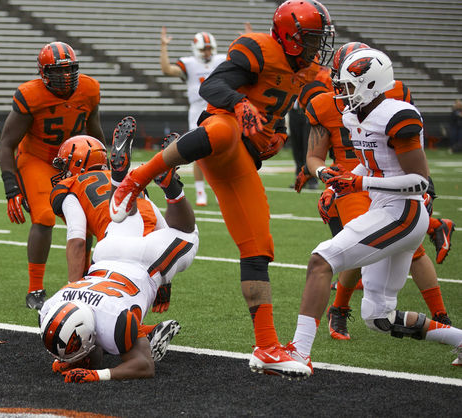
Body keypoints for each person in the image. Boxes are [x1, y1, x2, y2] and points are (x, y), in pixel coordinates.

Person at [110, 0, 335, 378]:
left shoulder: (310, 72)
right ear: (290, 37)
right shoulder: (259, 49)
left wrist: (283, 138)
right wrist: (239, 101)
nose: (317, 47)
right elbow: (212, 85)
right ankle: (135, 180)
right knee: (223, 129)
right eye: (311, 39)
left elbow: (316, 116)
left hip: (242, 160)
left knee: (258, 245)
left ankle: (265, 347)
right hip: (221, 126)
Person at [284, 48, 462, 374]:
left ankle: (298, 354)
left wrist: (359, 185)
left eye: (348, 86)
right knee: (378, 317)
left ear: (370, 83)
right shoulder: (355, 116)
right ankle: (460, 340)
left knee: (321, 260)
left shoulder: (399, 115)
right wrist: (340, 180)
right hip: (387, 208)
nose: (341, 92)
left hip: (403, 212)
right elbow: (372, 168)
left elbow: (419, 183)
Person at [39, 128, 199, 383]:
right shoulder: (52, 306)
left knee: (189, 237)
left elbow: (144, 366)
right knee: (128, 213)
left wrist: (95, 374)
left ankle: (170, 189)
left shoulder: (112, 322)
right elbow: (156, 222)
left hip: (136, 259)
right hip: (115, 242)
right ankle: (125, 182)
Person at [0, 41, 105, 310]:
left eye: (70, 70)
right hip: (38, 158)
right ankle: (35, 289)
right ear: (43, 74)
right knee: (45, 217)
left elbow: (94, 130)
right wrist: (11, 187)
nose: (66, 78)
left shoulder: (89, 89)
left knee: (88, 217)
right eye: (58, 72)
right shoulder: (30, 95)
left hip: (73, 161)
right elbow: (7, 143)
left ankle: (83, 280)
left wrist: (104, 162)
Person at [160, 27, 226, 206]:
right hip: (198, 111)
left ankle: (220, 191)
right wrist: (164, 46)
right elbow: (166, 69)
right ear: (196, 49)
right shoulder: (189, 64)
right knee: (200, 154)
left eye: (209, 49)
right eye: (204, 49)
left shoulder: (221, 60)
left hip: (219, 109)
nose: (207, 52)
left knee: (221, 153)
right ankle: (200, 191)